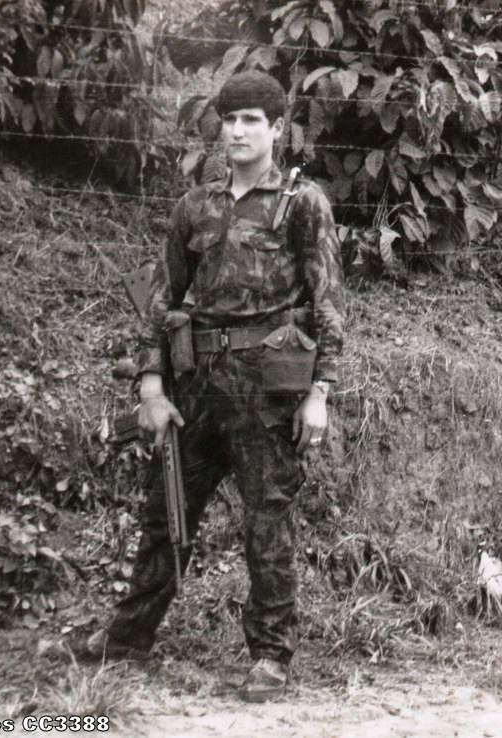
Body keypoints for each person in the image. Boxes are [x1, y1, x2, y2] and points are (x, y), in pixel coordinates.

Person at [72, 71, 345, 704]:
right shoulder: (195, 205)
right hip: (196, 385)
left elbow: (328, 304)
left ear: (278, 129)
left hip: (268, 390)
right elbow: (161, 299)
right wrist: (151, 386)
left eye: (252, 120)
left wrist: (320, 392)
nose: (238, 131)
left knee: (266, 523)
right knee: (165, 511)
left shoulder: (304, 204)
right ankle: (129, 638)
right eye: (230, 119)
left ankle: (271, 656)